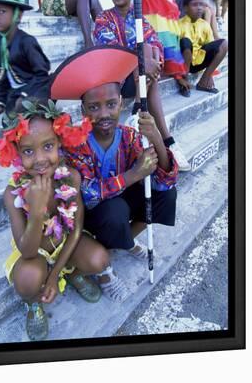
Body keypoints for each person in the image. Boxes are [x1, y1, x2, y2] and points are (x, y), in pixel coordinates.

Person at [0, 99, 128, 341]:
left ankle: (71, 272)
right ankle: (34, 304)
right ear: (16, 153)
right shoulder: (12, 192)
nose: (40, 159)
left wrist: (54, 275)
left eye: (48, 147)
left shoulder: (71, 178)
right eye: (28, 151)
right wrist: (35, 212)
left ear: (60, 144)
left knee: (99, 258)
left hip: (66, 243)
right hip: (36, 253)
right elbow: (27, 250)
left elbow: (76, 230)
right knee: (26, 281)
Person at [50, 47, 178, 277]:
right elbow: (87, 195)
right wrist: (132, 176)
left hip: (121, 201)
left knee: (166, 195)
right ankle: (124, 243)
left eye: (110, 104)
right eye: (93, 107)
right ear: (83, 110)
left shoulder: (129, 136)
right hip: (94, 215)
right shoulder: (76, 143)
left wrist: (157, 138)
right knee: (115, 210)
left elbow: (163, 182)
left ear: (121, 103)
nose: (103, 114)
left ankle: (125, 240)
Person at [93, 0, 190, 171]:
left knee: (148, 52)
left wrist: (151, 62)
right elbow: (108, 53)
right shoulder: (103, 19)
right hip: (115, 80)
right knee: (143, 57)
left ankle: (140, 111)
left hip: (140, 80)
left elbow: (156, 47)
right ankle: (167, 139)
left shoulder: (142, 20)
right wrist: (143, 61)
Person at [0, 0, 51, 116]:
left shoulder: (27, 42)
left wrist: (25, 94)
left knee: (25, 107)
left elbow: (42, 74)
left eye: (2, 11)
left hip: (35, 87)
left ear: (18, 15)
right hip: (16, 91)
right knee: (12, 113)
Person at [178, 0, 228, 94]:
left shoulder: (205, 25)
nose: (199, 8)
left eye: (201, 4)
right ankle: (184, 81)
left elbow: (210, 47)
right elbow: (174, 52)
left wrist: (210, 73)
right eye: (194, 4)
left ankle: (204, 81)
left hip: (199, 62)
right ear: (186, 8)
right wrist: (177, 76)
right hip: (183, 64)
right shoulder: (178, 25)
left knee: (224, 44)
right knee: (185, 42)